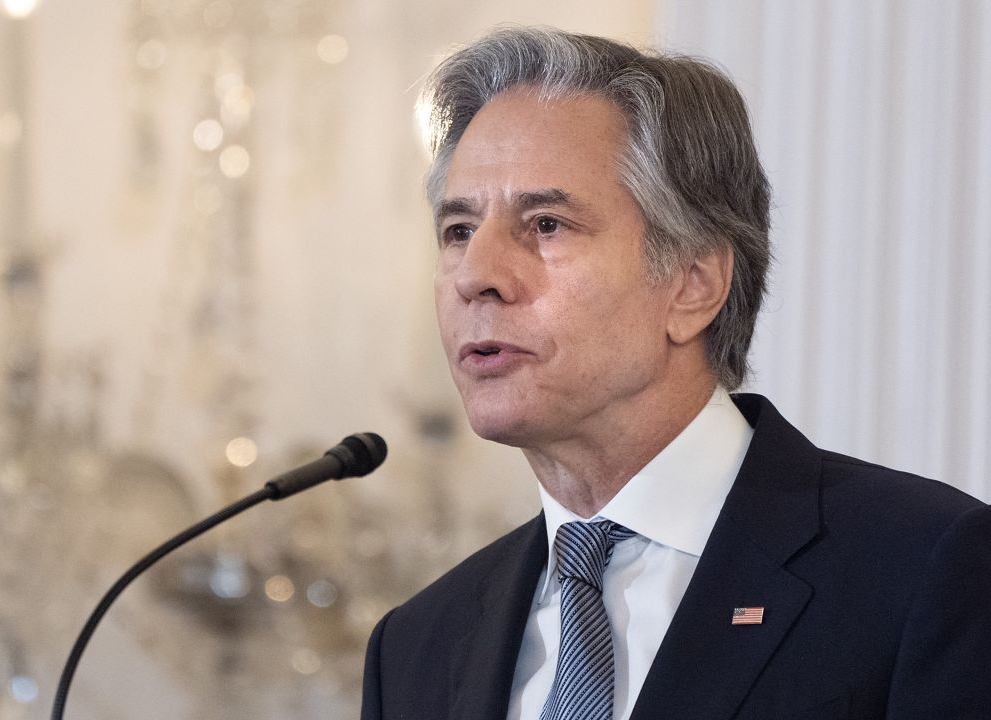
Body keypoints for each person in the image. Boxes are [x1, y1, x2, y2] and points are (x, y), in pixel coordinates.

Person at [360, 26, 991, 720]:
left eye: (545, 224)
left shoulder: (926, 571)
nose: (477, 276)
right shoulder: (417, 645)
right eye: (457, 232)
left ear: (693, 284)